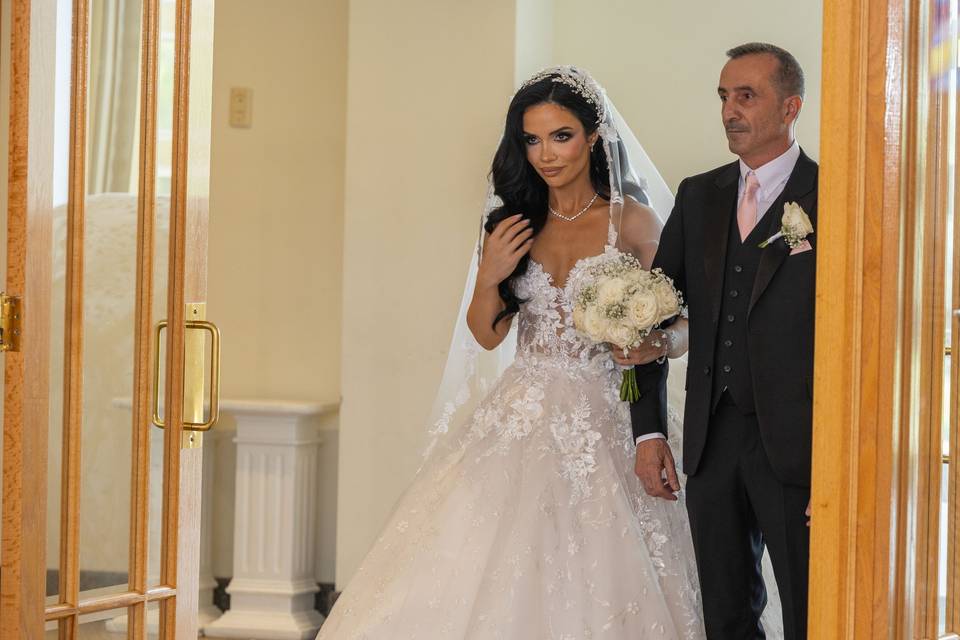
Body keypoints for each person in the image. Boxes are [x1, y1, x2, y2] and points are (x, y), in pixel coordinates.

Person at [316, 66, 710, 639]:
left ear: (593, 136)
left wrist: (654, 342)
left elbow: (684, 323)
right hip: (521, 412)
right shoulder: (511, 224)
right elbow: (487, 334)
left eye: (560, 136)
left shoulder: (633, 222)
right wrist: (489, 276)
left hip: (609, 413)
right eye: (531, 139)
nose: (545, 154)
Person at [628, 43, 817, 640]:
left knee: (812, 615)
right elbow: (650, 315)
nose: (729, 111)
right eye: (723, 96)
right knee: (726, 617)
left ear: (791, 107)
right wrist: (650, 429)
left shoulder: (836, 196)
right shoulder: (698, 194)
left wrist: (841, 465)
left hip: (800, 448)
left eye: (747, 96)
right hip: (713, 444)